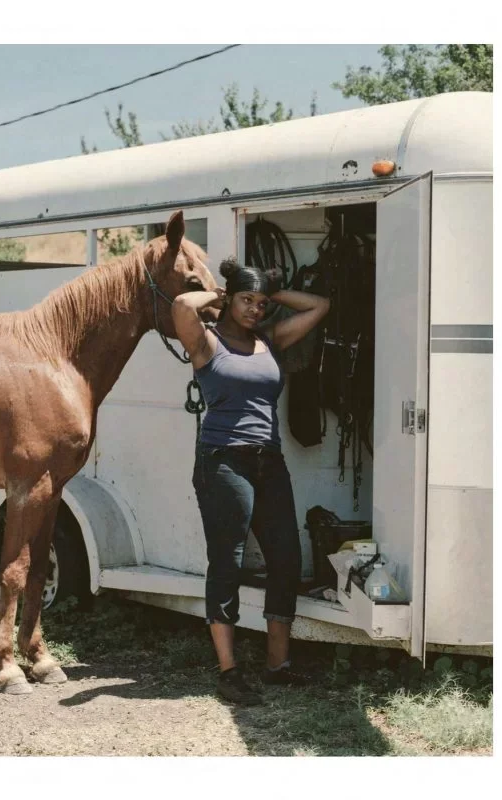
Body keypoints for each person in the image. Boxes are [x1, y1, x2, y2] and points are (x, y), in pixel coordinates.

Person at [171, 258, 330, 706]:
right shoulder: (207, 341)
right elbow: (182, 305)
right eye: (247, 300)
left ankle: (277, 666)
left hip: (268, 462)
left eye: (261, 304)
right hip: (223, 461)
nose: (255, 310)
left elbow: (319, 306)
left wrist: (269, 291)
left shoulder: (270, 339)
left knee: (286, 558)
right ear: (229, 300)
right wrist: (223, 293)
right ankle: (229, 671)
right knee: (228, 561)